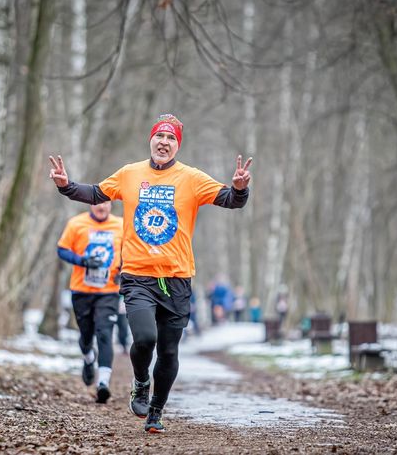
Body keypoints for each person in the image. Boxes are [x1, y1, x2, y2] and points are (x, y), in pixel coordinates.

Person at [49, 113, 252, 433]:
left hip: (177, 278)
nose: (164, 142)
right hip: (137, 275)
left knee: (169, 350)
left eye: (171, 139)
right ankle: (141, 381)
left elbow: (229, 199)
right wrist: (66, 186)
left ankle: (156, 411)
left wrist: (239, 189)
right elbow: (96, 193)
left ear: (177, 146)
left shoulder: (192, 178)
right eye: (160, 136)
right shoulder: (130, 174)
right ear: (151, 139)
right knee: (144, 338)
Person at [56, 201, 123, 404]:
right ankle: (88, 359)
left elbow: (131, 252)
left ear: (111, 204)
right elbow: (62, 250)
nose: (101, 207)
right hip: (81, 290)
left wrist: (123, 271)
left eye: (105, 203)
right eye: (96, 204)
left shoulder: (121, 225)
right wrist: (83, 261)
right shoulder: (76, 223)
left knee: (105, 333)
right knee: (86, 335)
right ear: (90, 206)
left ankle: (103, 383)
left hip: (109, 291)